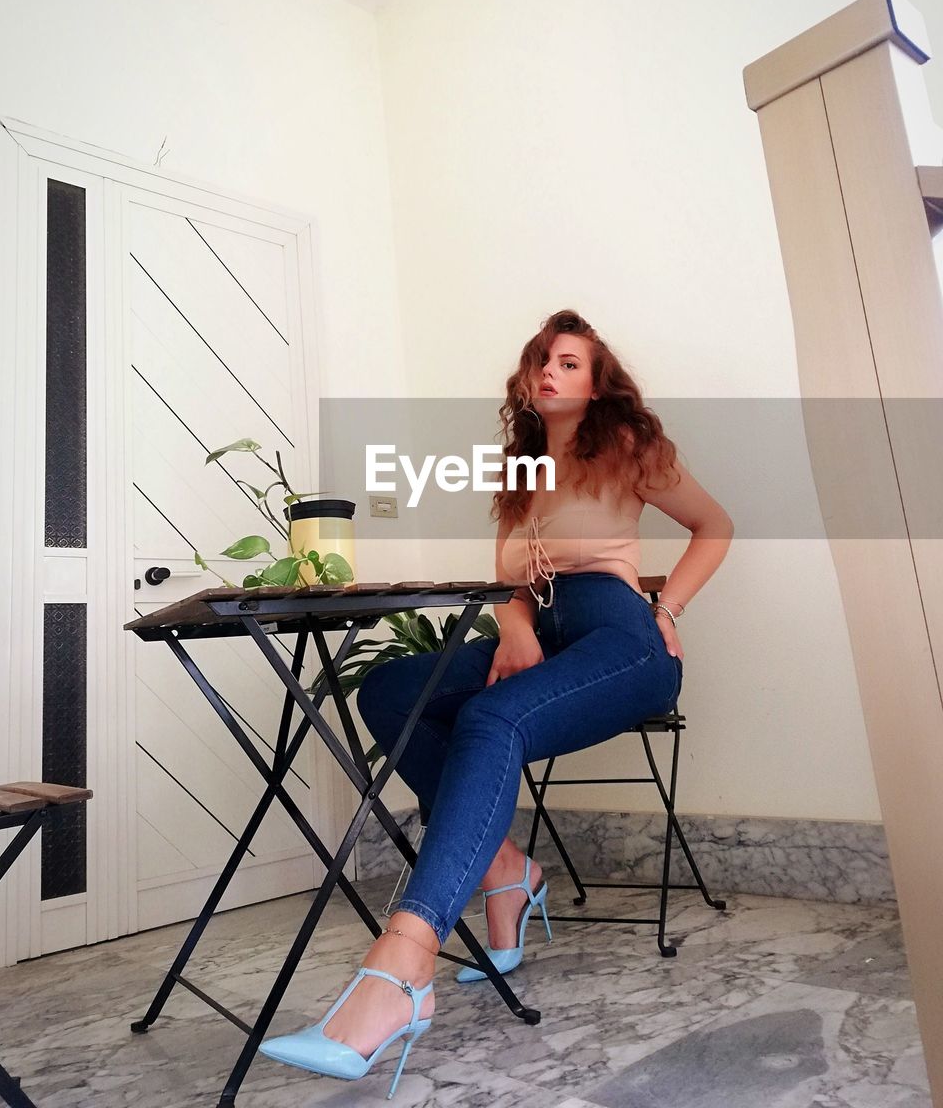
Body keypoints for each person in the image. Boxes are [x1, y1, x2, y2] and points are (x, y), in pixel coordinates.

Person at [260, 308, 734, 1096]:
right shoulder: (519, 475)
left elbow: (715, 526)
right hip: (541, 631)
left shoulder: (627, 449)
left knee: (490, 715)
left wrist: (667, 609)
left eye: (571, 362)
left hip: (621, 639)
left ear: (598, 381)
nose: (551, 370)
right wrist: (514, 624)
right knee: (392, 690)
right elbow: (513, 583)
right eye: (543, 359)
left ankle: (405, 961)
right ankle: (506, 867)